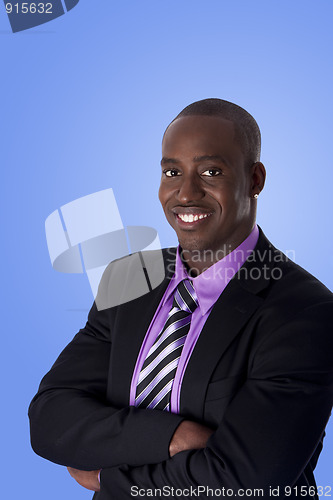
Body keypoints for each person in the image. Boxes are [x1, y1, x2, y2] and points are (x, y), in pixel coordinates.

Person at [29, 99, 333, 499]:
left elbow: (249, 480)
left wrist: (107, 478)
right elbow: (51, 418)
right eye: (172, 172)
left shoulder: (305, 312)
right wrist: (173, 435)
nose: (186, 193)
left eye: (211, 172)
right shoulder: (129, 278)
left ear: (255, 179)